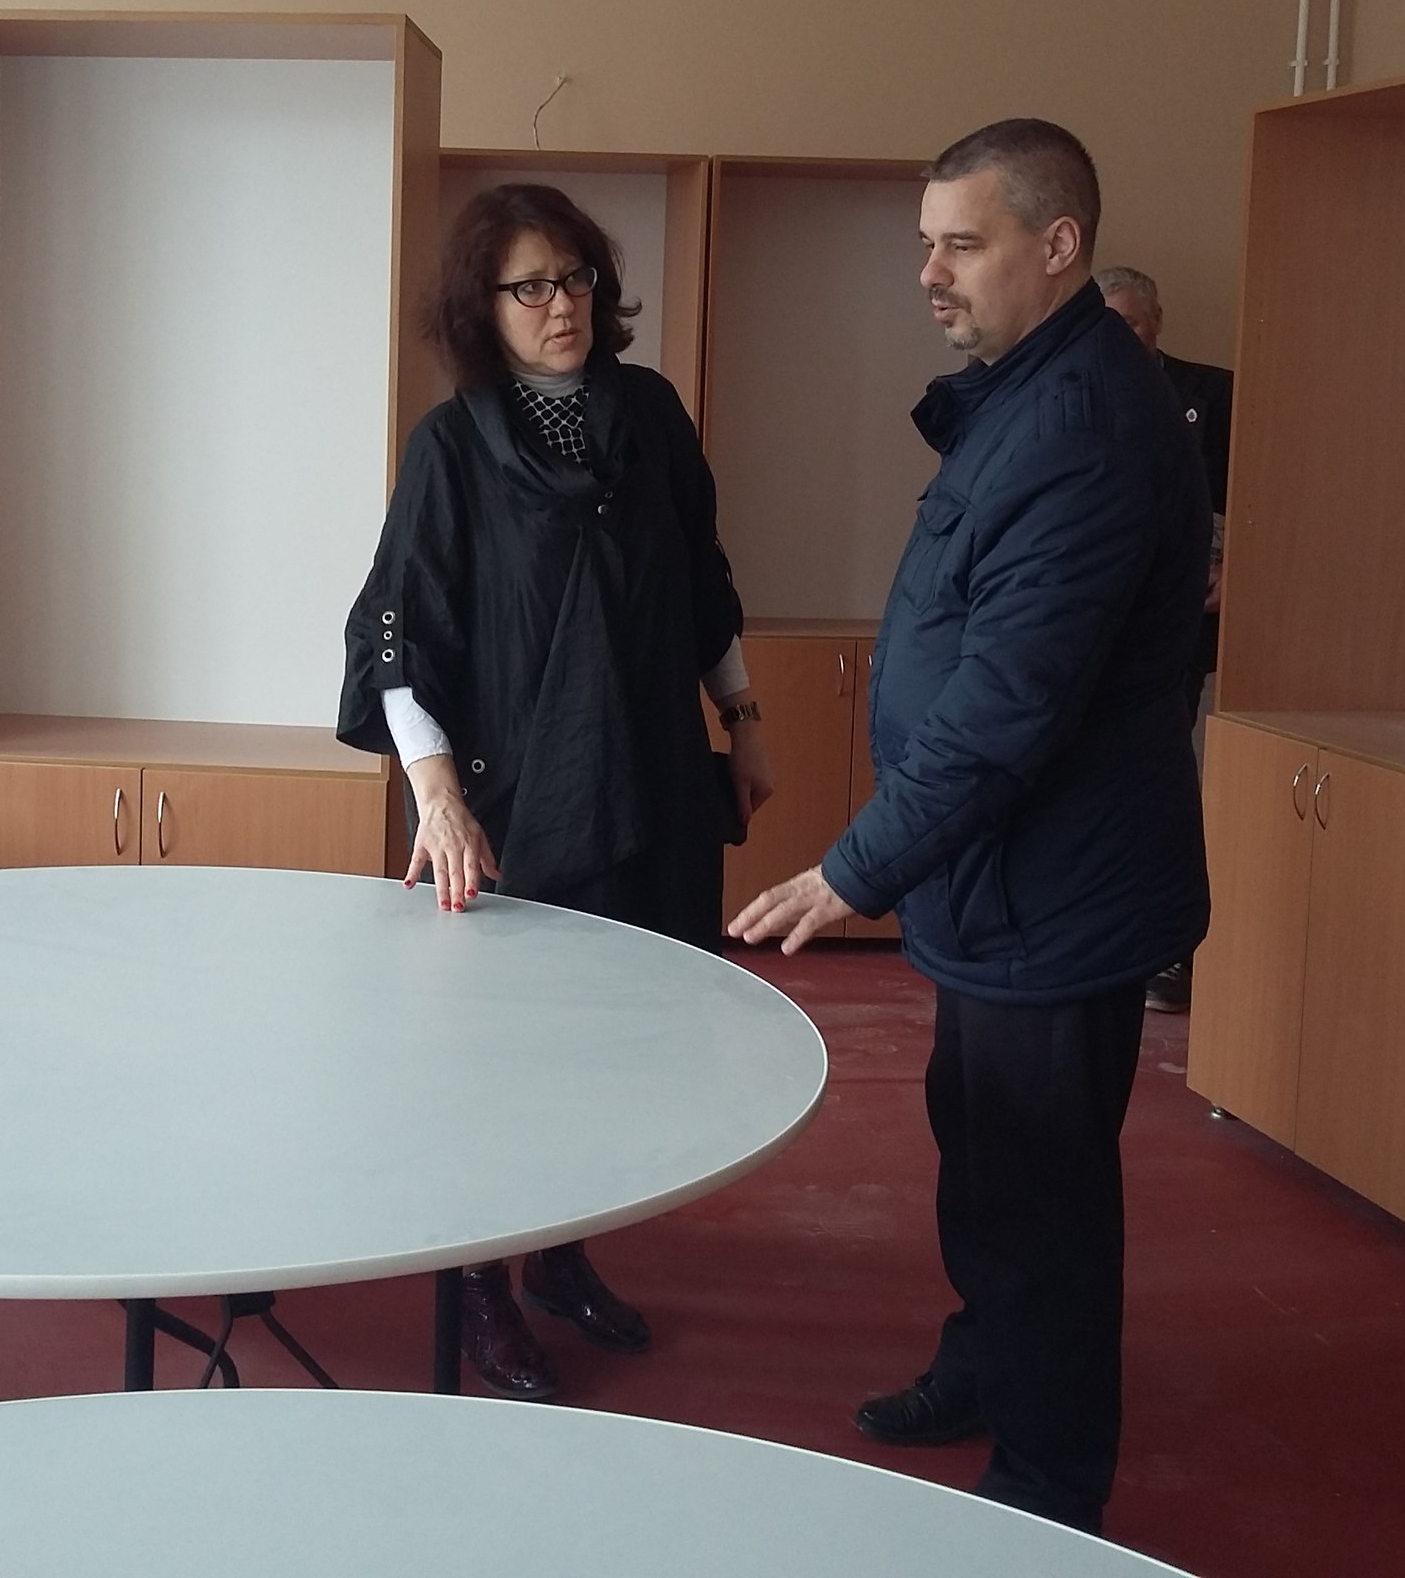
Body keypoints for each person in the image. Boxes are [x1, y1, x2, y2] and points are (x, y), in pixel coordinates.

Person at [730, 120, 1209, 1538]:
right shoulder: (1028, 391)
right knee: (985, 1153)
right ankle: (989, 1361)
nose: (929, 273)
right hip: (1002, 887)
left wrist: (855, 870)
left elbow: (1010, 706)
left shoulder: (1085, 427)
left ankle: (1050, 1488)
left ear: (1058, 246)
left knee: (1041, 1192)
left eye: (962, 243)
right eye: (925, 244)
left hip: (1056, 896)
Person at [338, 182, 776, 1401]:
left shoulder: (651, 415)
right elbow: (395, 633)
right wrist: (435, 796)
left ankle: (563, 1256)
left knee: (613, 1045)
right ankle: (480, 1282)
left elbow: (701, 580)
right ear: (483, 307)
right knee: (500, 1057)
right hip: (515, 798)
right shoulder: (453, 446)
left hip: (649, 776)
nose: (560, 305)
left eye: (575, 277)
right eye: (528, 286)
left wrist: (741, 721)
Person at [1096, 265, 1233, 1015]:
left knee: (1170, 778)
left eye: (1131, 321)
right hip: (1107, 621)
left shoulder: (1213, 393)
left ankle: (1170, 952)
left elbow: (1267, 492)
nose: (1120, 336)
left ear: (1157, 322)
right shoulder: (1079, 393)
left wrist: (1233, 565)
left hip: (1190, 625)